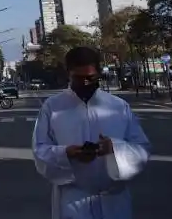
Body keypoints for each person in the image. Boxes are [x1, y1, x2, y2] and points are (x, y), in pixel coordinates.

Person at [33, 46, 150, 219]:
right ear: (68, 73)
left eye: (90, 77)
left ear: (98, 73)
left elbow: (142, 148)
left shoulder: (118, 106)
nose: (86, 83)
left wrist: (115, 148)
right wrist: (66, 153)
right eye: (79, 78)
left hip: (114, 200)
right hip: (74, 200)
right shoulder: (52, 107)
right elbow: (39, 150)